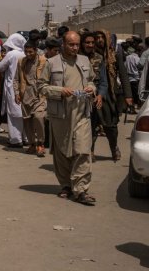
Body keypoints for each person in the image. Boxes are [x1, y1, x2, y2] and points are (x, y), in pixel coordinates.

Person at [38, 31, 97, 205]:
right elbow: (41, 86)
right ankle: (66, 185)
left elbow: (92, 81)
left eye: (77, 44)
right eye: (71, 44)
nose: (75, 47)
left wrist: (91, 89)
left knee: (83, 150)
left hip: (82, 114)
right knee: (62, 151)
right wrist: (59, 91)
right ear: (63, 44)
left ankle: (81, 190)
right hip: (61, 114)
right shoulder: (51, 63)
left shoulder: (85, 61)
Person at [91, 30, 132, 161]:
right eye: (96, 38)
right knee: (92, 123)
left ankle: (114, 147)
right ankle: (90, 151)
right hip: (93, 92)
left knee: (110, 125)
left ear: (107, 38)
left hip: (110, 95)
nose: (99, 40)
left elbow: (123, 74)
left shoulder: (115, 54)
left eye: (101, 37)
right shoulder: (91, 54)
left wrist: (128, 95)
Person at [14, 41, 47, 157]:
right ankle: (32, 144)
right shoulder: (21, 62)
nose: (28, 54)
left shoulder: (43, 61)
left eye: (30, 52)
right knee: (27, 121)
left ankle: (41, 143)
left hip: (39, 96)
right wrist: (17, 93)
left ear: (35, 50)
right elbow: (16, 79)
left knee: (39, 117)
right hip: (26, 95)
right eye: (26, 51)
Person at [0, 33, 26, 148]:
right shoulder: (25, 53)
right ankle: (26, 137)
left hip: (12, 87)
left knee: (13, 114)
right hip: (24, 87)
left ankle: (15, 139)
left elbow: (0, 67)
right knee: (24, 113)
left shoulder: (11, 54)